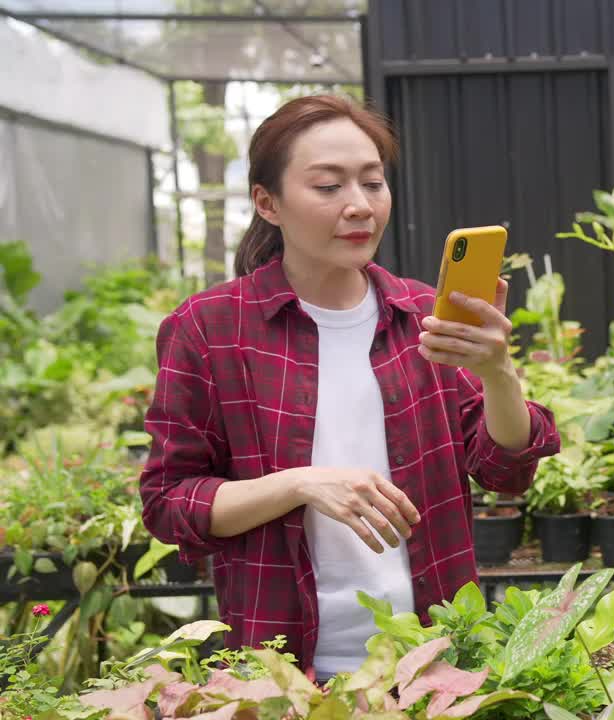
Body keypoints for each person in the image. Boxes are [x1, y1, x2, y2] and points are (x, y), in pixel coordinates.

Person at [138, 94, 559, 681]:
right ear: (268, 203)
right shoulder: (209, 329)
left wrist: (497, 371)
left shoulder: (421, 313)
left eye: (372, 182)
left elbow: (505, 468)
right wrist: (300, 484)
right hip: (283, 672)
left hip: (433, 664)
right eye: (329, 187)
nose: (360, 206)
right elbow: (169, 503)